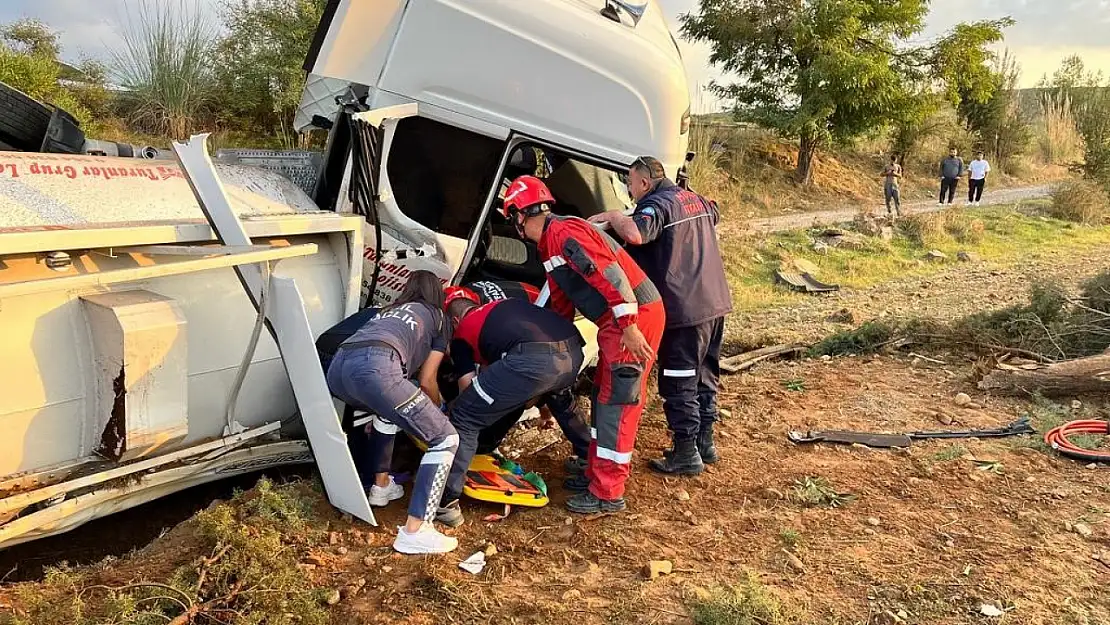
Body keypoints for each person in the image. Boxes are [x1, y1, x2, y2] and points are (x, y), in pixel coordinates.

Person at [501, 175, 665, 514]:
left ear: (519, 214)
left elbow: (612, 278)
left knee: (616, 402)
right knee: (604, 395)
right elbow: (560, 300)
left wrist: (629, 326)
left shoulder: (564, 235)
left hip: (632, 320)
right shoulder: (552, 241)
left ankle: (608, 492)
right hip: (619, 321)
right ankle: (596, 471)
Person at [588, 156, 731, 477]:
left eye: (629, 183)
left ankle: (685, 453)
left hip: (684, 310)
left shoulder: (655, 206)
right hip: (715, 303)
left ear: (644, 183)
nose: (629, 190)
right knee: (705, 376)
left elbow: (637, 234)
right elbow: (715, 212)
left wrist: (614, 216)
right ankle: (704, 444)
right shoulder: (692, 198)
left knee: (679, 382)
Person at [325, 270, 459, 554]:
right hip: (379, 368)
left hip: (338, 371)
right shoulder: (437, 317)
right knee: (446, 438)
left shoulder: (387, 311)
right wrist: (439, 413)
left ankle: (381, 487)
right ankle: (417, 529)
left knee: (388, 413)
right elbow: (427, 380)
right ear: (438, 294)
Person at [435, 287, 592, 526]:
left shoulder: (462, 334)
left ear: (454, 319)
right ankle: (593, 462)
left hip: (532, 360)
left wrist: (446, 412)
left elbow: (467, 388)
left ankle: (446, 501)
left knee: (465, 416)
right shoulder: (504, 306)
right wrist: (545, 410)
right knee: (561, 402)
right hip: (571, 349)